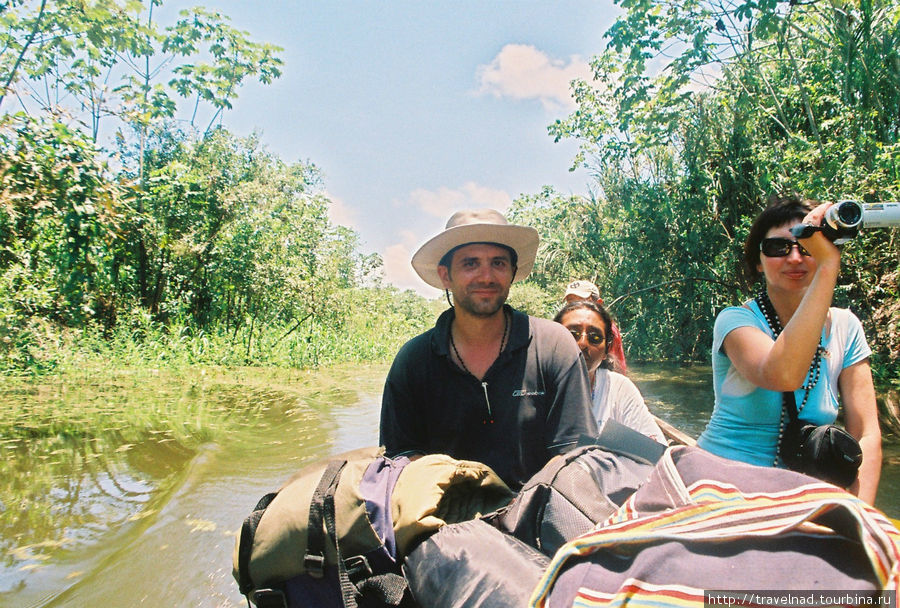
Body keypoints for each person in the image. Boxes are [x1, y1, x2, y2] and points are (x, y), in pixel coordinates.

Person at [379, 209, 598, 489]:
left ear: (512, 273)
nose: (486, 277)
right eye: (470, 264)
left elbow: (575, 453)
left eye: (498, 263)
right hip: (443, 518)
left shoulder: (554, 346)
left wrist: (520, 509)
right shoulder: (413, 361)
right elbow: (398, 458)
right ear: (446, 276)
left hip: (536, 512)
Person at [697, 195, 881, 504]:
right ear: (758, 261)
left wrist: (861, 517)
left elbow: (867, 434)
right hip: (721, 483)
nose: (795, 258)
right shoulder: (736, 321)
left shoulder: (846, 328)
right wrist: (827, 266)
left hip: (801, 494)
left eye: (807, 246)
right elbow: (783, 373)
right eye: (778, 247)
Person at [554, 300, 663, 443]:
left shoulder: (618, 388)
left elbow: (655, 450)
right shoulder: (533, 386)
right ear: (553, 340)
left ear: (606, 350)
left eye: (595, 338)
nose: (582, 343)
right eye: (572, 334)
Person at [564, 280, 628, 374]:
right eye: (570, 303)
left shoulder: (609, 330)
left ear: (599, 303)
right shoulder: (565, 328)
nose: (575, 308)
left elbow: (616, 367)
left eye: (581, 302)